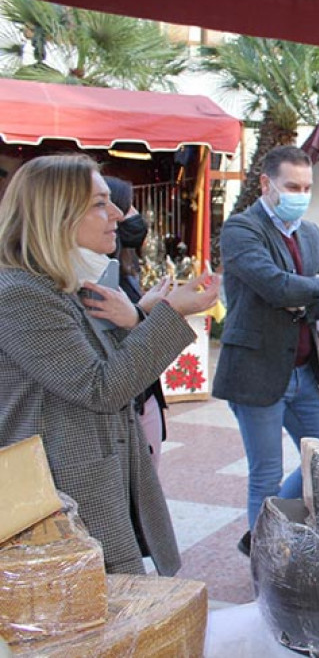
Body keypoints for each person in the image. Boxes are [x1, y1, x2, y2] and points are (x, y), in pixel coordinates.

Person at [0, 155, 221, 575]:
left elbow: (98, 366)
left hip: (92, 487)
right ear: (57, 214)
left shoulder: (63, 282)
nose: (118, 214)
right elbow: (101, 388)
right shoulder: (20, 294)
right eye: (101, 203)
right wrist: (169, 315)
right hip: (56, 505)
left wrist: (140, 316)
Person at [213, 145, 319, 557]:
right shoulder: (241, 229)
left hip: (303, 372)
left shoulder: (310, 234)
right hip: (256, 370)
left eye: (307, 187)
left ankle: (270, 532)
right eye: (292, 186)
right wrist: (312, 288)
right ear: (267, 184)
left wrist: (305, 293)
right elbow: (273, 285)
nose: (301, 195)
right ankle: (264, 563)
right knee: (265, 476)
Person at [105, 176, 172, 470]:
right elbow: (100, 374)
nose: (128, 217)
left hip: (144, 397)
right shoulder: (85, 278)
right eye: (127, 206)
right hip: (121, 408)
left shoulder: (123, 268)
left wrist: (142, 311)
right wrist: (141, 314)